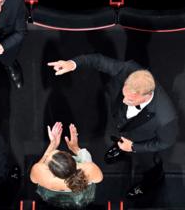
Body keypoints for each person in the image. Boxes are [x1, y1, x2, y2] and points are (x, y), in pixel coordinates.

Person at [47, 53, 179, 198]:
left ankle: (152, 180)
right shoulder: (130, 70)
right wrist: (72, 64)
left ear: (146, 96)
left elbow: (166, 142)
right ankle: (121, 146)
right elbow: (98, 60)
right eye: (124, 94)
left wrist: (134, 147)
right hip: (122, 125)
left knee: (148, 164)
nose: (124, 100)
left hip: (142, 140)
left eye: (130, 100)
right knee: (119, 132)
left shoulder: (166, 117)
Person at [30, 122, 103, 209]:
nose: (48, 154)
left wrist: (52, 144)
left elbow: (38, 168)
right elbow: (99, 179)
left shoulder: (39, 171)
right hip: (80, 198)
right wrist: (75, 148)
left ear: (51, 171)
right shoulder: (89, 169)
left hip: (52, 199)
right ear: (71, 157)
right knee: (86, 156)